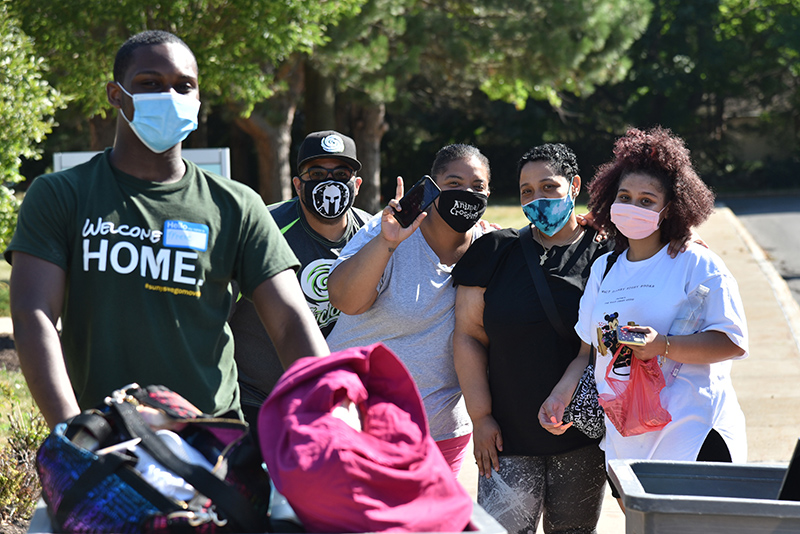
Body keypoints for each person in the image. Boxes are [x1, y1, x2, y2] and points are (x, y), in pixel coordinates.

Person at [6, 30, 329, 429]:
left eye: (183, 86)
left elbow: (291, 321)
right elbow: (31, 312)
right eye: (150, 84)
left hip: (212, 448)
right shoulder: (61, 194)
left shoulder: (236, 205)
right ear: (115, 94)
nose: (169, 96)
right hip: (104, 441)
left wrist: (329, 412)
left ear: (197, 99)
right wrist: (72, 433)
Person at [541, 126, 748, 507]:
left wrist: (663, 346)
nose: (632, 206)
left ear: (670, 208)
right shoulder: (604, 269)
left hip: (692, 431)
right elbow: (588, 351)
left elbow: (732, 341)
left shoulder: (695, 263)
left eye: (646, 200)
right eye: (624, 197)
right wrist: (559, 395)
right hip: (625, 438)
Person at [452, 144, 610, 533]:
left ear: (574, 186)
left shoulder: (608, 254)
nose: (537, 199)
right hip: (506, 441)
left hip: (584, 441)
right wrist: (481, 417)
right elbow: (469, 335)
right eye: (526, 191)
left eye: (549, 187)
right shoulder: (495, 251)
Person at [326, 144, 492, 476]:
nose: (466, 194)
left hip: (442, 435)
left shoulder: (491, 246)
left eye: (477, 187)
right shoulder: (388, 229)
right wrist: (388, 242)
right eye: (454, 183)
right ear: (433, 185)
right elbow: (345, 300)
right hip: (357, 425)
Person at [229, 130, 371, 427]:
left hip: (333, 402)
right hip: (257, 398)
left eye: (341, 173)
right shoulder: (265, 229)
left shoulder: (372, 235)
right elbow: (218, 311)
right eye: (316, 173)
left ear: (356, 185)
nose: (329, 182)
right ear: (298, 185)